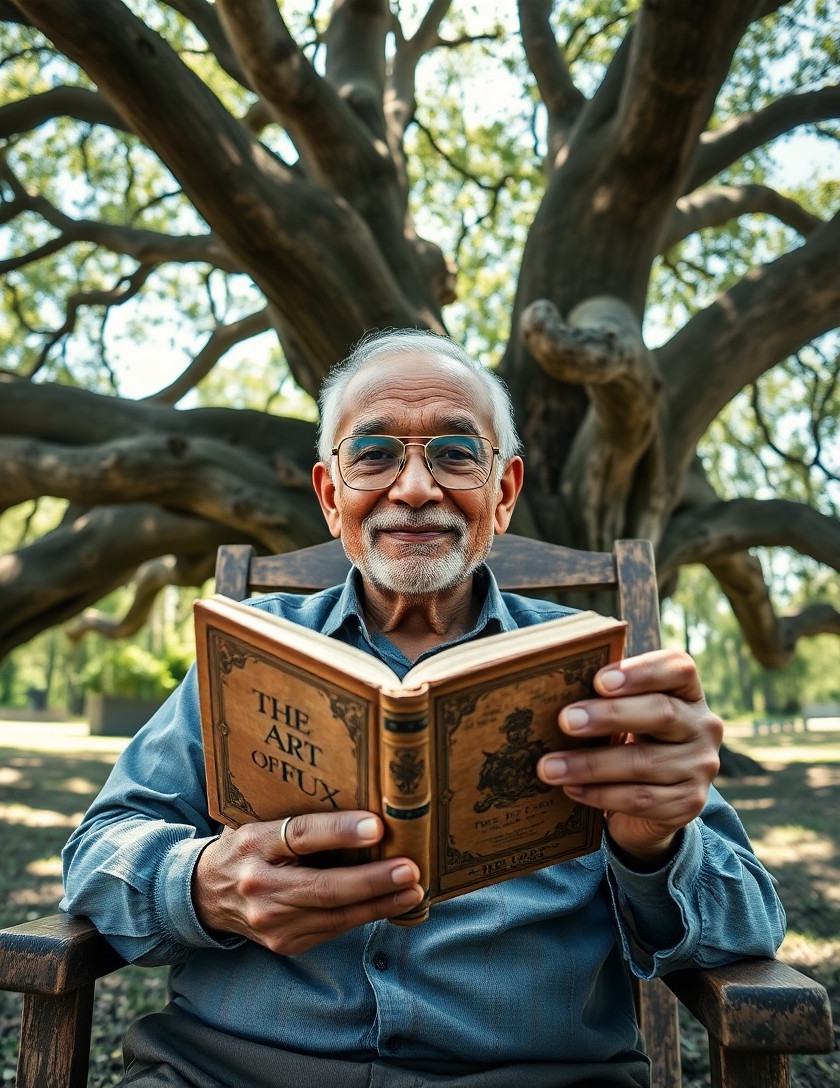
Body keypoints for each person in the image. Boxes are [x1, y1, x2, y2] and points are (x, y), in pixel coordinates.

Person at [61, 329, 785, 1088]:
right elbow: (96, 855)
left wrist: (656, 847)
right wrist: (202, 883)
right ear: (330, 495)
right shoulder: (245, 654)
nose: (413, 488)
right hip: (227, 1071)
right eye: (374, 454)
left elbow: (751, 922)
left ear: (502, 493)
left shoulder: (597, 674)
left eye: (455, 453)